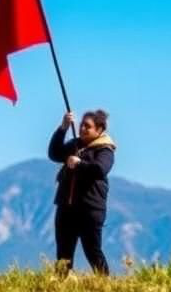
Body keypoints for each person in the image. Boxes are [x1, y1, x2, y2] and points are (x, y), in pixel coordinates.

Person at [47, 109, 116, 275]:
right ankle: (60, 286)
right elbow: (54, 154)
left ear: (99, 130)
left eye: (88, 126)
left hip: (90, 210)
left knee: (92, 252)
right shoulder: (75, 145)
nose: (82, 128)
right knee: (63, 255)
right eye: (81, 125)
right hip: (66, 208)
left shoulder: (105, 150)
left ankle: (105, 284)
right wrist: (62, 129)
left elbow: (100, 170)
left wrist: (79, 163)